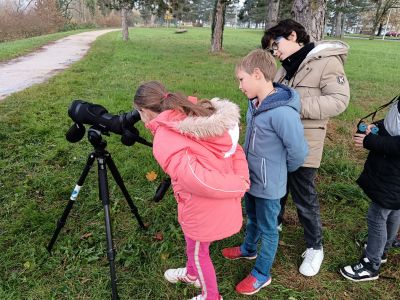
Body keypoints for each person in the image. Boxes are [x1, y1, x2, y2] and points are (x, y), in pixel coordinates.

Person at [133, 81, 250, 300]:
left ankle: (211, 295)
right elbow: (235, 150)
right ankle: (191, 273)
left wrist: (239, 184)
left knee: (199, 252)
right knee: (193, 246)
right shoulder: (194, 116)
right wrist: (240, 178)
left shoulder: (166, 139)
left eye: (138, 113)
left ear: (145, 111)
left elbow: (198, 181)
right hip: (213, 204)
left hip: (202, 209)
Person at [261, 19, 350, 276]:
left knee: (303, 196)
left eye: (276, 45)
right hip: (278, 141)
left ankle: (315, 247)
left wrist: (293, 106)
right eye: (270, 50)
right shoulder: (283, 68)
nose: (274, 52)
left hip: (305, 142)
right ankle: (272, 228)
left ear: (292, 35)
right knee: (276, 188)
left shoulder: (327, 61)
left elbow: (338, 101)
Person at [221, 49, 308, 295]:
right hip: (250, 180)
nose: (239, 85)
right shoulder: (253, 103)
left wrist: (280, 172)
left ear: (257, 74)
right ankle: (249, 248)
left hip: (271, 186)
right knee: (252, 218)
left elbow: (298, 151)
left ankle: (262, 273)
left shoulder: (282, 112)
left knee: (269, 228)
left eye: (241, 79)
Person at [340, 100, 400, 281]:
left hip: (394, 173)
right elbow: (394, 123)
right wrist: (378, 126)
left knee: (377, 215)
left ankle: (370, 264)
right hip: (392, 171)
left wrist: (371, 141)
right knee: (394, 210)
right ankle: (382, 251)